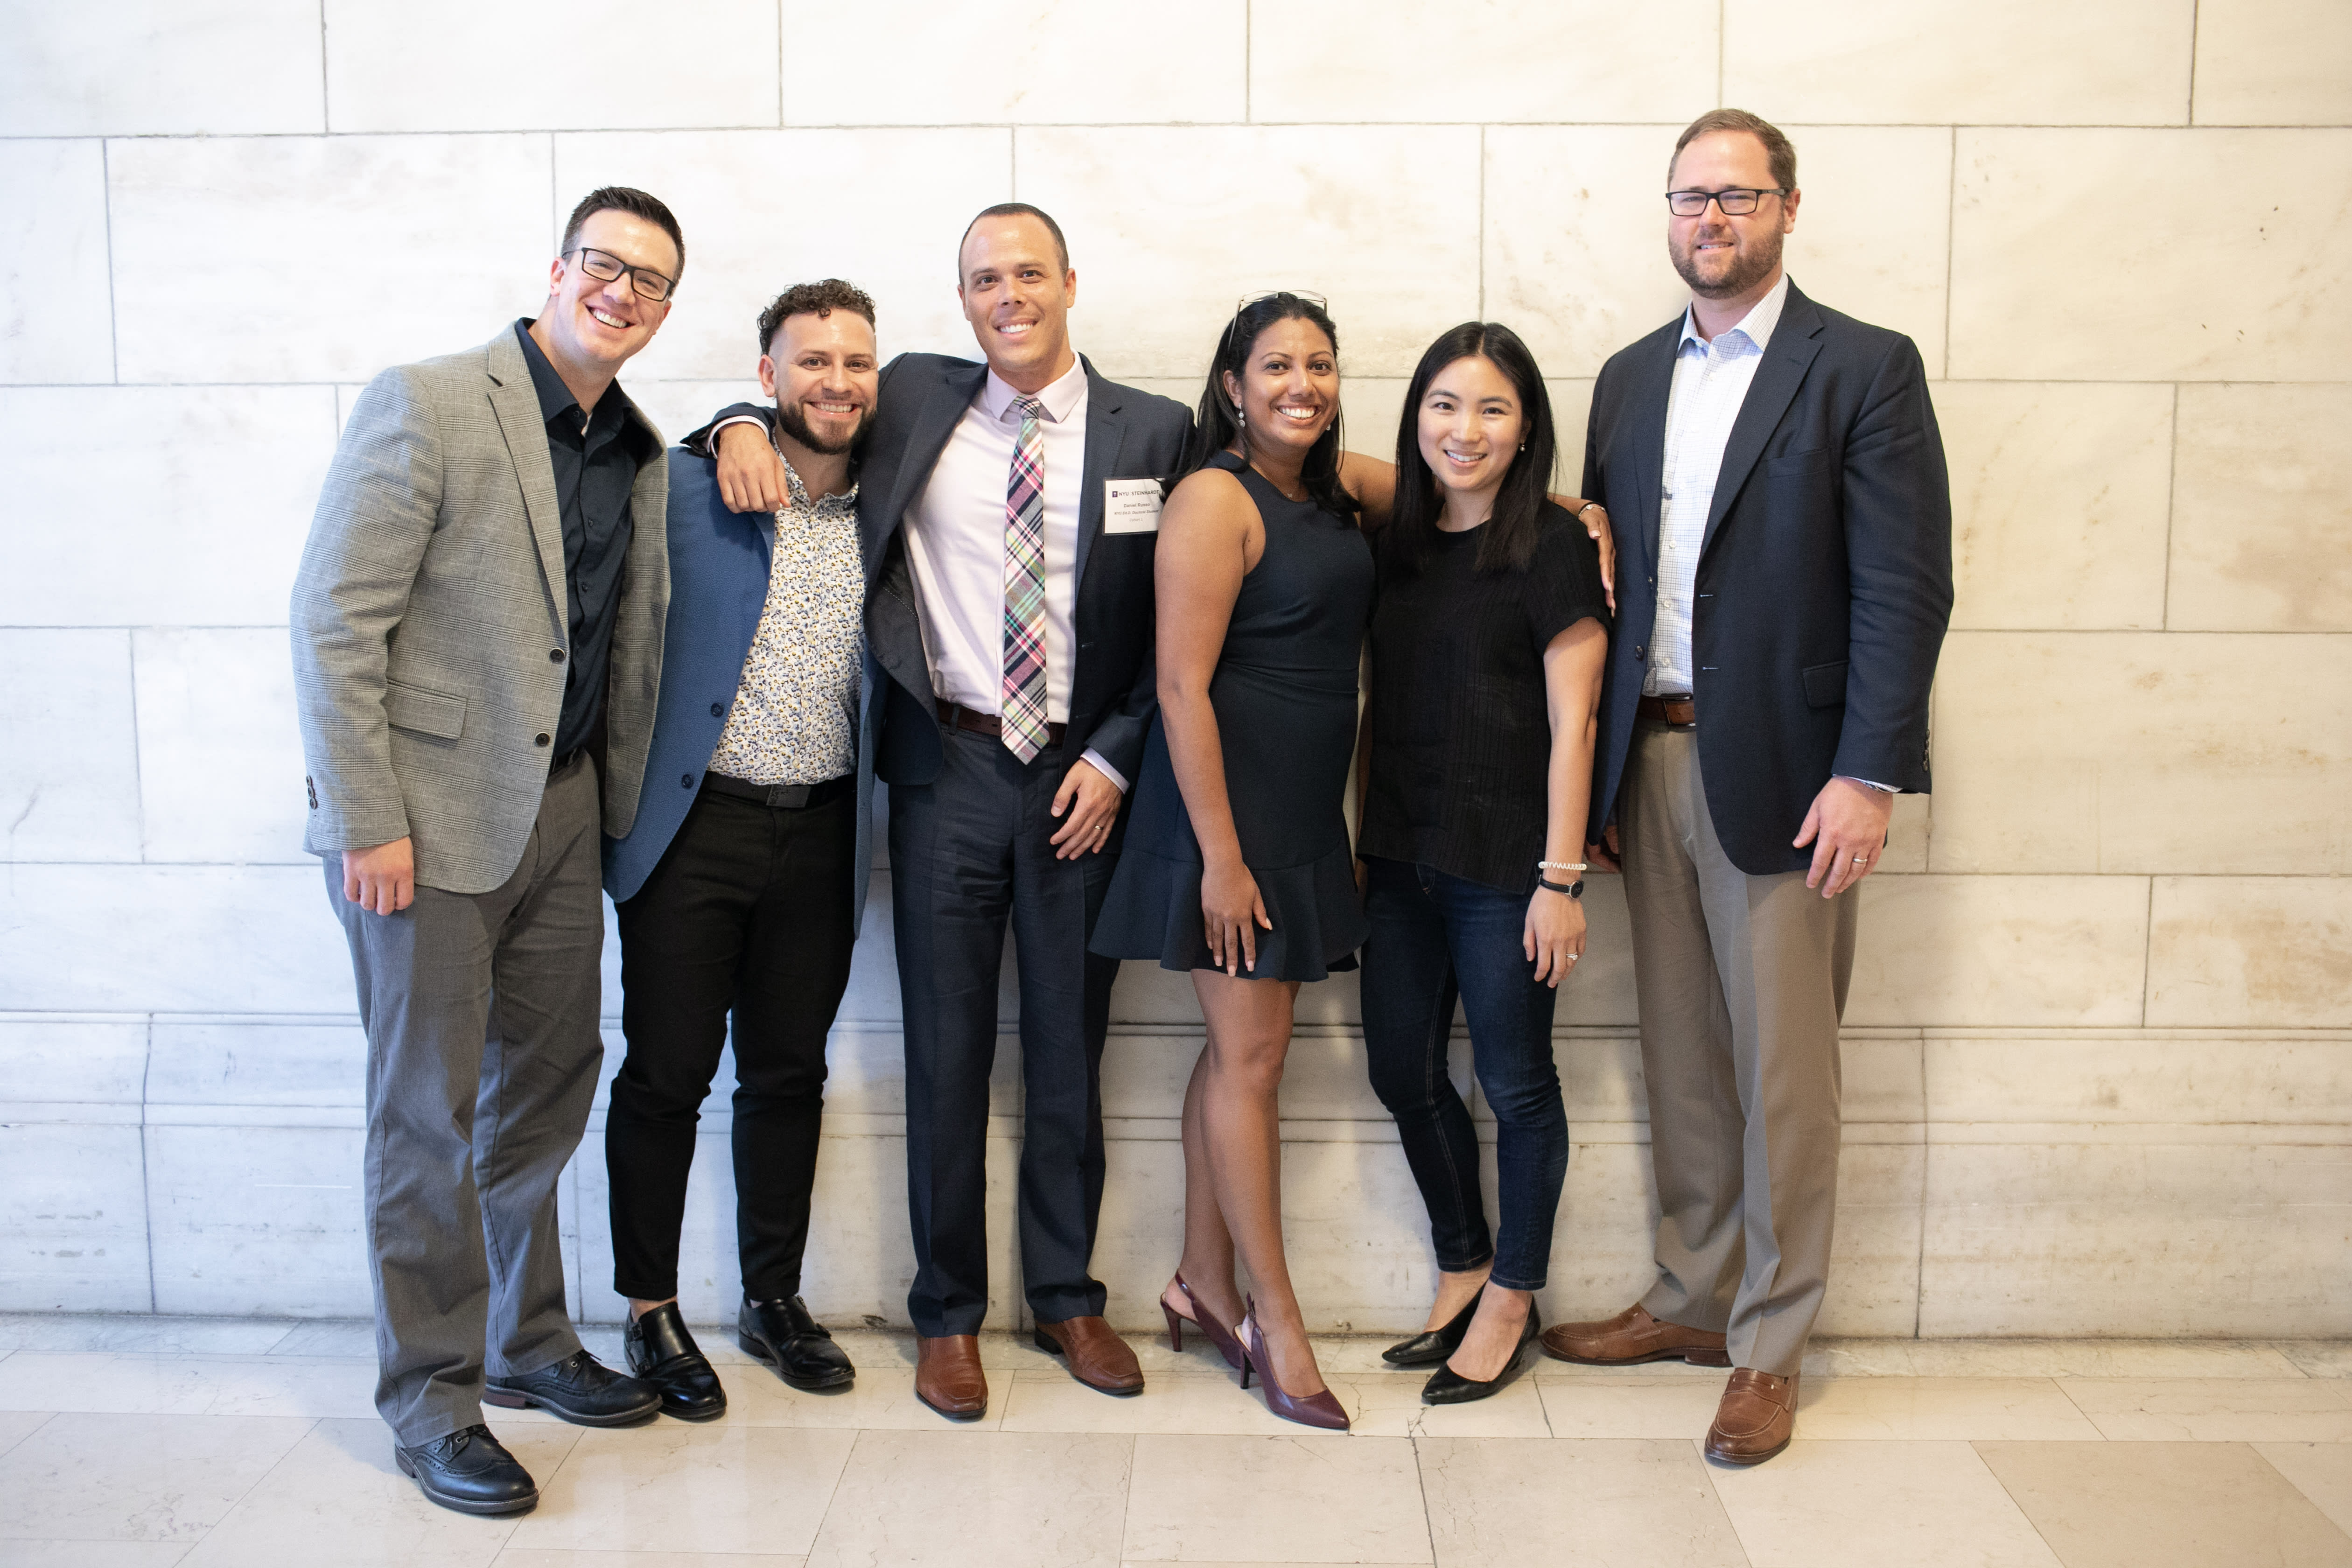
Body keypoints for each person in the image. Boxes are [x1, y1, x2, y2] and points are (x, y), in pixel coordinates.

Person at [693, 204, 1192, 1420]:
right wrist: (735, 423)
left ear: (1071, 282)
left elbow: (1181, 622)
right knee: (947, 1054)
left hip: (1082, 780)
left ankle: (1069, 1296)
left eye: (1029, 272)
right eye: (983, 279)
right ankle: (949, 1314)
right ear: (961, 300)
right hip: (948, 772)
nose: (1008, 294)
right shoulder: (915, 395)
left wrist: (1122, 758)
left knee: (1073, 1050)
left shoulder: (1156, 431)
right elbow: (802, 406)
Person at [1548, 109, 1952, 1465]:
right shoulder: (1624, 379)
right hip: (1647, 759)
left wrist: (1869, 772)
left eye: (1736, 195)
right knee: (1679, 1054)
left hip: (1790, 772)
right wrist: (1592, 771)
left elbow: (1906, 585)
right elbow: (1609, 569)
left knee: (1785, 1069)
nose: (1709, 219)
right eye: (1688, 197)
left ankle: (1770, 1345)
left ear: (1787, 208)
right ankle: (1688, 1296)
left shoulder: (1864, 369)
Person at [290, 187, 684, 1515]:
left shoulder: (640, 447)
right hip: (425, 821)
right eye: (606, 266)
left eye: (651, 283)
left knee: (549, 1084)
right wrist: (368, 817)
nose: (622, 294)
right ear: (558, 269)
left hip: (564, 815)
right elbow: (334, 621)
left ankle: (526, 1343)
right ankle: (432, 1400)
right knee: (425, 1114)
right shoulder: (434, 400)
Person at [1089, 293, 1391, 1431]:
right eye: (1276, 368)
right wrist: (1221, 858)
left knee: (1240, 1056)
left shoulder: (1336, 487)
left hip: (1304, 811)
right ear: (1232, 384)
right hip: (1229, 816)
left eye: (1319, 364)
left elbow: (1461, 483)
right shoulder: (1216, 498)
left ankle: (1196, 1281)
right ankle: (1275, 1315)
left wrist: (1565, 505)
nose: (1300, 385)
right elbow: (1178, 684)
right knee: (1254, 1062)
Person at [600, 280, 886, 1420]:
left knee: (787, 1074)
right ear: (766, 375)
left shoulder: (888, 501)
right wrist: (723, 426)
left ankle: (773, 1300)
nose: (836, 380)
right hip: (693, 828)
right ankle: (648, 1311)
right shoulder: (688, 485)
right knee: (666, 1075)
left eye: (855, 362)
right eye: (810, 361)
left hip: (822, 829)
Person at [1355, 321, 1610, 1406]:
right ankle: (1463, 1262)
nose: (1466, 430)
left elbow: (1579, 725)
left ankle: (1514, 1293)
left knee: (1516, 1085)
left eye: (1493, 409)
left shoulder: (1551, 549)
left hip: (1510, 869)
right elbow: (1322, 465)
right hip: (1401, 855)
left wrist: (1561, 880)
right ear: (1416, 417)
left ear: (1527, 430)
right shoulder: (1397, 544)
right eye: (1445, 405)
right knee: (1401, 1074)